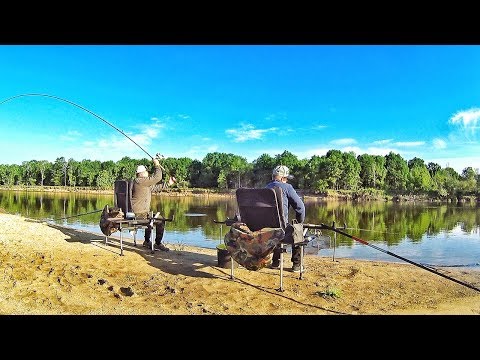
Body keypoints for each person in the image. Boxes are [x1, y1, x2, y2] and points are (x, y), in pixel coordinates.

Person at [265, 165, 305, 272]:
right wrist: (299, 223)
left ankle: (275, 262)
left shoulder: (266, 188)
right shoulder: (287, 187)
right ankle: (297, 265)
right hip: (280, 229)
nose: (287, 181)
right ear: (282, 178)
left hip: (265, 229)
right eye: (286, 178)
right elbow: (300, 208)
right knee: (296, 231)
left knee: (277, 227)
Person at [131, 157, 169, 252]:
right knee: (160, 220)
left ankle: (147, 241)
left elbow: (155, 188)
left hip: (139, 213)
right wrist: (156, 164)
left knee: (150, 215)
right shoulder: (141, 180)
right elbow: (157, 177)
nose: (148, 173)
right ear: (142, 173)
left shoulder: (140, 182)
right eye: (146, 171)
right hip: (139, 214)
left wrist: (169, 183)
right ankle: (158, 243)